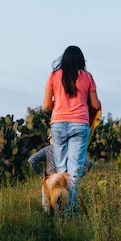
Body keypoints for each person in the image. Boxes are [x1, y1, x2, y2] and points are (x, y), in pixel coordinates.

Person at [43, 45, 101, 211]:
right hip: (80, 124)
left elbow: (46, 105)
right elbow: (95, 104)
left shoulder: (54, 76)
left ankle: (57, 207)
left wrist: (60, 103)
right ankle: (70, 213)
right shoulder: (87, 77)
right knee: (74, 172)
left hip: (58, 124)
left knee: (61, 170)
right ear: (81, 60)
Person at [28, 136, 93, 212]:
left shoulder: (47, 149)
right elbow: (88, 163)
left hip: (50, 181)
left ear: (51, 139)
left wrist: (42, 175)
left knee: (48, 208)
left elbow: (31, 160)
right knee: (69, 208)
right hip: (66, 181)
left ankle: (51, 221)